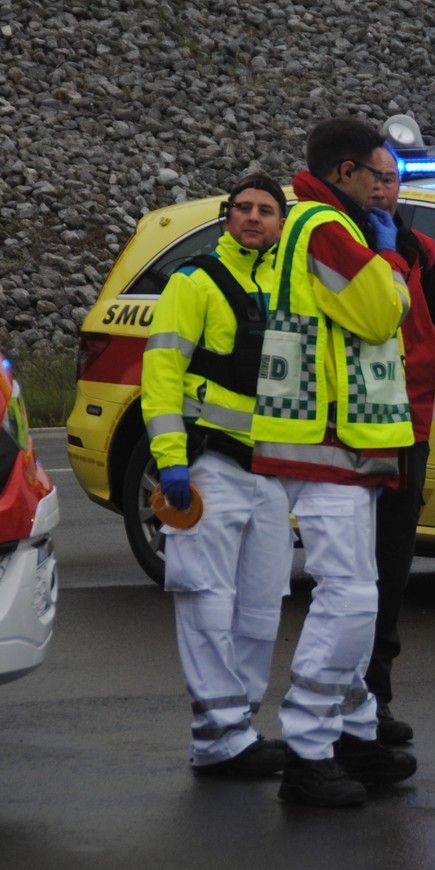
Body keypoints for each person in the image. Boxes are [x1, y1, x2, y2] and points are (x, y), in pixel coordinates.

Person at [252, 117, 419, 807]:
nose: (383, 190)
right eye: (375, 173)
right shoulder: (327, 229)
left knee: (359, 592)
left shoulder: (311, 223)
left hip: (337, 440)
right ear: (345, 171)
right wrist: (391, 264)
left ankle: (351, 734)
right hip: (332, 442)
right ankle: (311, 749)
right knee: (349, 597)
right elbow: (384, 313)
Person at [143, 173, 292, 778]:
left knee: (261, 608)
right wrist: (171, 459)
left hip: (273, 471)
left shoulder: (290, 287)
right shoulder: (194, 281)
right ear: (228, 216)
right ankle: (223, 735)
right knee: (206, 600)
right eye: (242, 208)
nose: (253, 217)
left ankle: (234, 730)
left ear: (282, 224)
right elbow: (162, 373)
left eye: (266, 210)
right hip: (210, 467)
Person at [362, 129, 435, 747]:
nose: (382, 187)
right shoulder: (338, 241)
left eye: (390, 178)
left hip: (408, 424)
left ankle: (376, 697)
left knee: (391, 566)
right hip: (348, 430)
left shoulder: (419, 246)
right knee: (350, 576)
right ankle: (348, 707)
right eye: (373, 177)